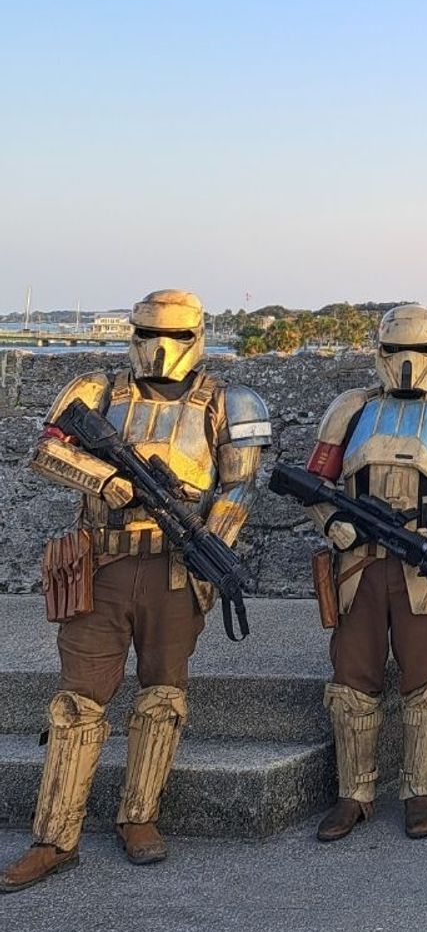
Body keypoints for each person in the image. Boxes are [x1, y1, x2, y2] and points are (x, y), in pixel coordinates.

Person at [1, 290, 269, 891]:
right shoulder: (96, 390)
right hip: (100, 563)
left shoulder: (229, 401)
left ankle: (140, 817)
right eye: (150, 331)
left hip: (175, 566)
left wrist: (209, 549)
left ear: (198, 336)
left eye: (175, 335)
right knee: (77, 702)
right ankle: (54, 837)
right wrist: (108, 480)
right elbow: (46, 450)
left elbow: (241, 485)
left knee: (162, 696)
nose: (161, 347)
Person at [308, 305, 427, 842]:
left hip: (422, 568)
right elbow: (312, 482)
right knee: (351, 683)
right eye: (395, 350)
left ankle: (420, 790)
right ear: (380, 352)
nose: (406, 363)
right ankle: (355, 794)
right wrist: (334, 525)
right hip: (358, 568)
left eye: (419, 350)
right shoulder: (351, 409)